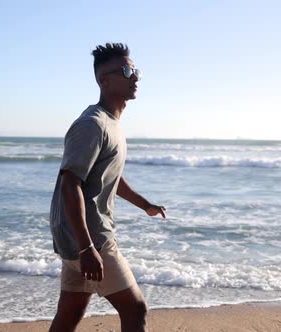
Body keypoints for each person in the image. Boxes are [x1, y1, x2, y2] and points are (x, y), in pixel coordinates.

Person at [48, 43, 166, 332]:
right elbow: (69, 183)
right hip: (90, 239)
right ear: (104, 80)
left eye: (135, 70)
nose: (134, 76)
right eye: (126, 71)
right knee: (135, 309)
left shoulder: (112, 124)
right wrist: (87, 247)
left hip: (77, 238)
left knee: (70, 314)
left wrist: (144, 204)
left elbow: (109, 178)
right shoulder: (92, 124)